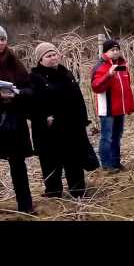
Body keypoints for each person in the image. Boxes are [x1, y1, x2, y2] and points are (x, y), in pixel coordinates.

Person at [30, 42, 94, 198]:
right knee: (50, 161)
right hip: (49, 129)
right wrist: (45, 117)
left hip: (71, 125)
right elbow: (32, 103)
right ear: (40, 60)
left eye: (54, 54)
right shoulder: (35, 78)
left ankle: (78, 190)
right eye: (48, 56)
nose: (53, 58)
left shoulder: (66, 73)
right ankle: (53, 191)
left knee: (73, 159)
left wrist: (82, 119)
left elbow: (78, 98)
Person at [0, 25, 36, 214]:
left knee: (18, 165)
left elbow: (30, 90)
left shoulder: (15, 62)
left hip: (14, 121)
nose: (0, 43)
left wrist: (17, 94)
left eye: (2, 39)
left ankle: (26, 206)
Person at [91, 39, 134, 173]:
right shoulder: (100, 67)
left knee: (117, 136)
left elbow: (126, 88)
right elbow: (96, 86)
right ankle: (106, 164)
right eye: (112, 50)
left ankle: (116, 162)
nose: (115, 52)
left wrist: (130, 106)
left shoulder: (122, 65)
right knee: (107, 137)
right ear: (106, 52)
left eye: (117, 49)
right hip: (107, 110)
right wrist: (108, 75)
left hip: (119, 108)